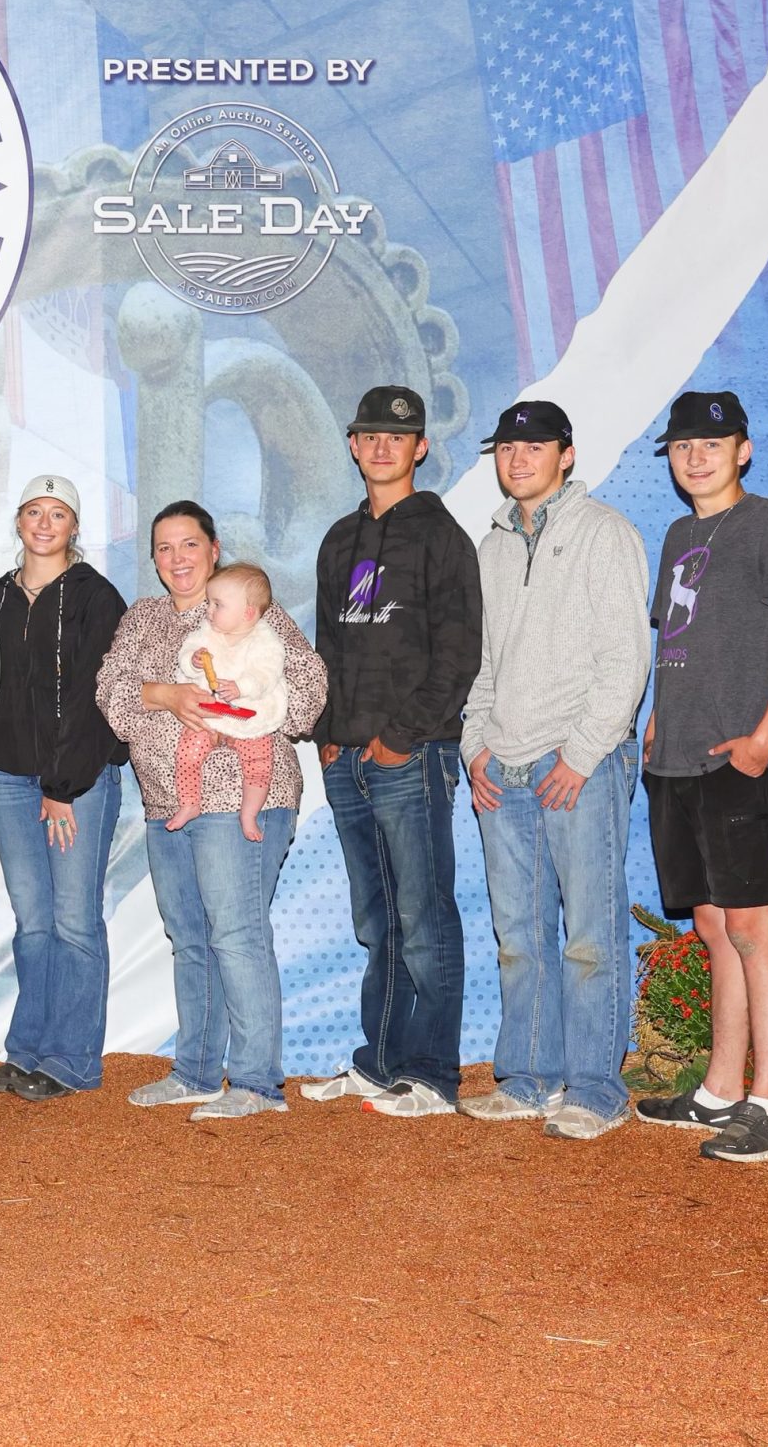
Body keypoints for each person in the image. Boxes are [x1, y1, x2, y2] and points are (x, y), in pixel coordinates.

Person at [636, 391, 768, 1164]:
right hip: (676, 756)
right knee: (712, 925)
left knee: (752, 927)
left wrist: (766, 737)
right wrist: (656, 719)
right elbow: (676, 640)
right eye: (682, 445)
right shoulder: (680, 532)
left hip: (737, 760)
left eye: (713, 443)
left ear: (743, 449)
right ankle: (719, 1090)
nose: (696, 455)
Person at [459, 400, 651, 1141]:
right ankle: (530, 1077)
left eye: (534, 445)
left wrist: (580, 753)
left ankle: (597, 1086)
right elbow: (482, 664)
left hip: (580, 760)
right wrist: (476, 744)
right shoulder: (494, 546)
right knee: (519, 933)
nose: (518, 457)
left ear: (566, 455)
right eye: (507, 446)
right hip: (501, 764)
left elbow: (625, 661)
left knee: (591, 933)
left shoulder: (606, 533)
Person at [98, 501, 323, 1120]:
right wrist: (165, 695)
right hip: (168, 801)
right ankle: (197, 1070)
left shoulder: (250, 610)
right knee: (191, 939)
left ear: (213, 548)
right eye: (165, 548)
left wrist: (250, 705)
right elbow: (110, 689)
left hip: (241, 796)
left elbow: (307, 688)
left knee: (237, 936)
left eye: (189, 545)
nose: (177, 559)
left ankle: (255, 1083)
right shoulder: (143, 619)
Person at [309, 385, 482, 1119]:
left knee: (424, 913)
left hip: (409, 755)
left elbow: (459, 653)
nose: (382, 445)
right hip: (346, 757)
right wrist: (326, 733)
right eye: (370, 434)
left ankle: (433, 1071)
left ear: (420, 449)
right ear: (353, 444)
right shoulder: (338, 541)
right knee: (377, 920)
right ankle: (378, 1061)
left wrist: (399, 738)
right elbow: (327, 646)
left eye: (397, 436)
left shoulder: (443, 537)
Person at [0, 476, 128, 1104]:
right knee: (33, 922)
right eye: (34, 510)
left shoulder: (96, 597)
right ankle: (29, 1050)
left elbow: (97, 697)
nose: (44, 522)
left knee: (73, 920)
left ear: (73, 527)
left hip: (78, 782)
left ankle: (72, 1060)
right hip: (9, 779)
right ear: (18, 521)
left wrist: (61, 786)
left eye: (57, 513)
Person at [164, 563, 289, 842]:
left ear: (248, 612)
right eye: (209, 602)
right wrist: (193, 661)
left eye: (217, 604)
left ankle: (249, 813)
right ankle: (189, 802)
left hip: (249, 716)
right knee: (187, 751)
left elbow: (267, 673)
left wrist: (242, 687)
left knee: (259, 763)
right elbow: (186, 655)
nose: (208, 610)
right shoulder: (206, 633)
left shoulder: (266, 640)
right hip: (212, 714)